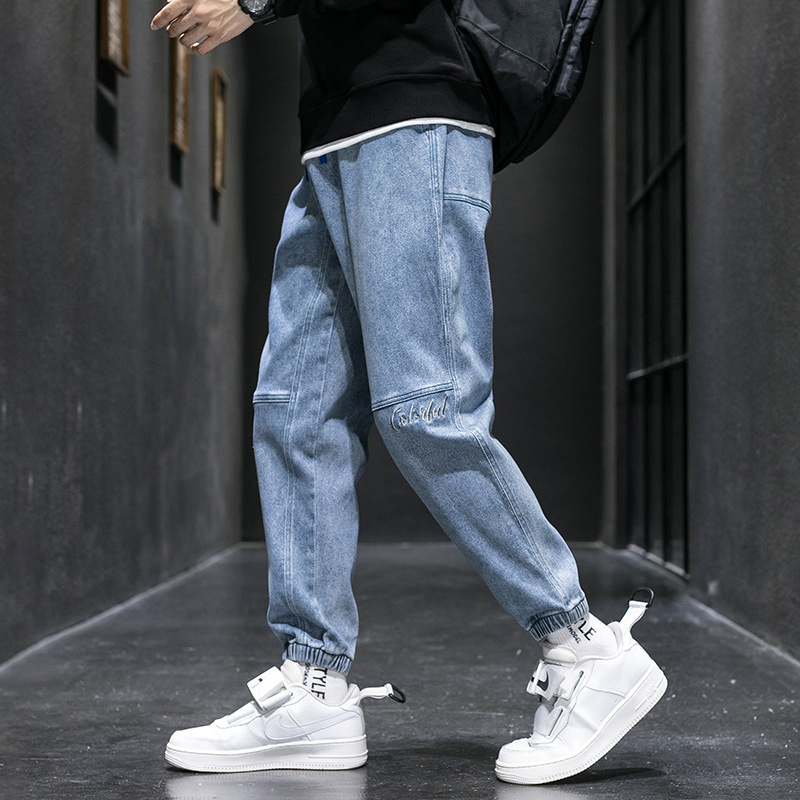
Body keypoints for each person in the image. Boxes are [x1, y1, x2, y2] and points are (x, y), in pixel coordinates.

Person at [150, 0, 667, 784]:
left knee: (426, 408)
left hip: (415, 113)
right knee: (296, 413)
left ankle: (583, 645)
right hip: (335, 132)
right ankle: (314, 683)